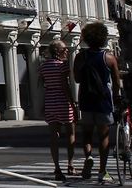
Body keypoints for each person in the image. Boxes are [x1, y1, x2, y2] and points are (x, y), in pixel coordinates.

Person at [74, 21, 121, 183]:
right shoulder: (109, 58)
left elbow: (77, 79)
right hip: (103, 101)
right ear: (103, 38)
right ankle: (102, 170)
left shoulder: (80, 57)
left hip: (86, 100)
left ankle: (88, 157)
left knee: (87, 134)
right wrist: (116, 97)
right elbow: (116, 82)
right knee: (104, 136)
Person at [39, 40, 76, 182]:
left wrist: (44, 104)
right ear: (58, 51)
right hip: (62, 99)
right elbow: (65, 86)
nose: (66, 51)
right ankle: (70, 165)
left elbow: (44, 86)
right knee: (70, 133)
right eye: (64, 49)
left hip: (50, 100)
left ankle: (57, 167)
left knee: (54, 136)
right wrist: (72, 103)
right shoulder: (63, 66)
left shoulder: (43, 67)